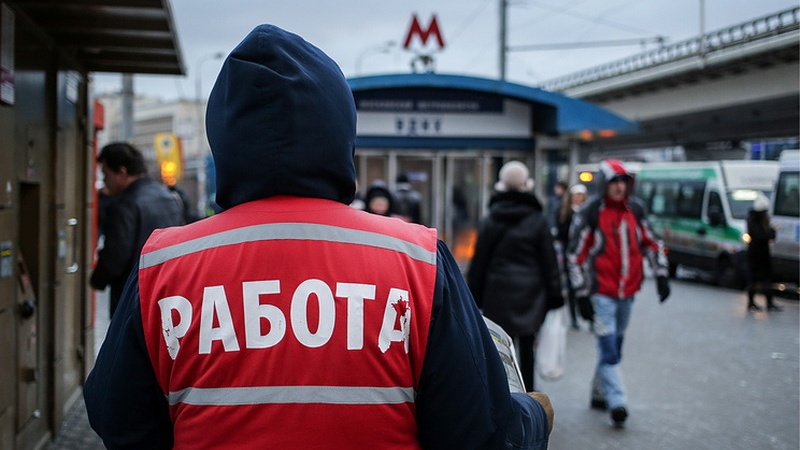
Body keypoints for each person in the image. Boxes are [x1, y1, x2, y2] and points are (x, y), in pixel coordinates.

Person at [84, 24, 553, 449]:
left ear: (223, 138)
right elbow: (482, 435)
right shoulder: (417, 260)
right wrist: (537, 414)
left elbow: (116, 417)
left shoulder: (165, 264)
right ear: (339, 131)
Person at [566, 159, 670, 428]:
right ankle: (617, 403)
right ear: (604, 184)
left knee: (615, 345)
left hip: (628, 293)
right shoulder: (590, 213)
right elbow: (574, 255)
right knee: (608, 346)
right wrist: (580, 295)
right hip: (601, 294)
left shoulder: (635, 209)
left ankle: (599, 393)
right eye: (613, 182)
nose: (619, 187)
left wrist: (661, 275)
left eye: (623, 181)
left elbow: (652, 242)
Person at [467, 161, 564, 392]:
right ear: (526, 187)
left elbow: (479, 263)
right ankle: (529, 394)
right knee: (528, 345)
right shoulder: (538, 220)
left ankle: (504, 393)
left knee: (500, 347)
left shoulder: (490, 220)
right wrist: (555, 295)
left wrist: (472, 297)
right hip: (531, 292)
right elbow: (549, 262)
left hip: (497, 292)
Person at [89, 142, 183, 318]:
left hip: (131, 298)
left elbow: (116, 255)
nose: (105, 181)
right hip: (168, 294)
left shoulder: (125, 204)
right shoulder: (169, 197)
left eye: (106, 174)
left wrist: (97, 280)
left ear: (122, 172)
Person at [555, 183, 588, 330]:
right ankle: (574, 318)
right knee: (572, 288)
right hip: (570, 256)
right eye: (576, 195)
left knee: (588, 286)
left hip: (586, 257)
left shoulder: (589, 213)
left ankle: (590, 317)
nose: (578, 198)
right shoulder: (565, 212)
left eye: (581, 196)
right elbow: (560, 233)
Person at [746, 194, 781, 312]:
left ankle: (754, 302)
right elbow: (763, 236)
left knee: (756, 277)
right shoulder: (758, 221)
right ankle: (765, 302)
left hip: (755, 252)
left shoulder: (752, 218)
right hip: (760, 252)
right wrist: (772, 231)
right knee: (763, 277)